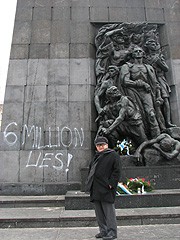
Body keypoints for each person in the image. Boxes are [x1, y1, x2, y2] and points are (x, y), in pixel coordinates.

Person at [120, 45, 162, 139]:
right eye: (136, 51)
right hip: (132, 92)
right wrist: (140, 84)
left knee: (151, 114)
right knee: (137, 116)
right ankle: (142, 139)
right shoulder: (127, 66)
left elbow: (155, 83)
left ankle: (157, 138)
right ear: (132, 54)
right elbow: (125, 81)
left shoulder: (148, 67)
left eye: (140, 51)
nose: (138, 52)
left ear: (143, 54)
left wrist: (159, 96)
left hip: (147, 93)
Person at [86, 136, 121, 240]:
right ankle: (103, 231)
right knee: (99, 213)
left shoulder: (113, 155)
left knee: (109, 212)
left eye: (102, 145)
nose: (100, 147)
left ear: (107, 145)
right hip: (95, 188)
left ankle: (112, 232)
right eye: (98, 145)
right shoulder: (96, 156)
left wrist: (111, 184)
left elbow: (117, 171)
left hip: (106, 188)